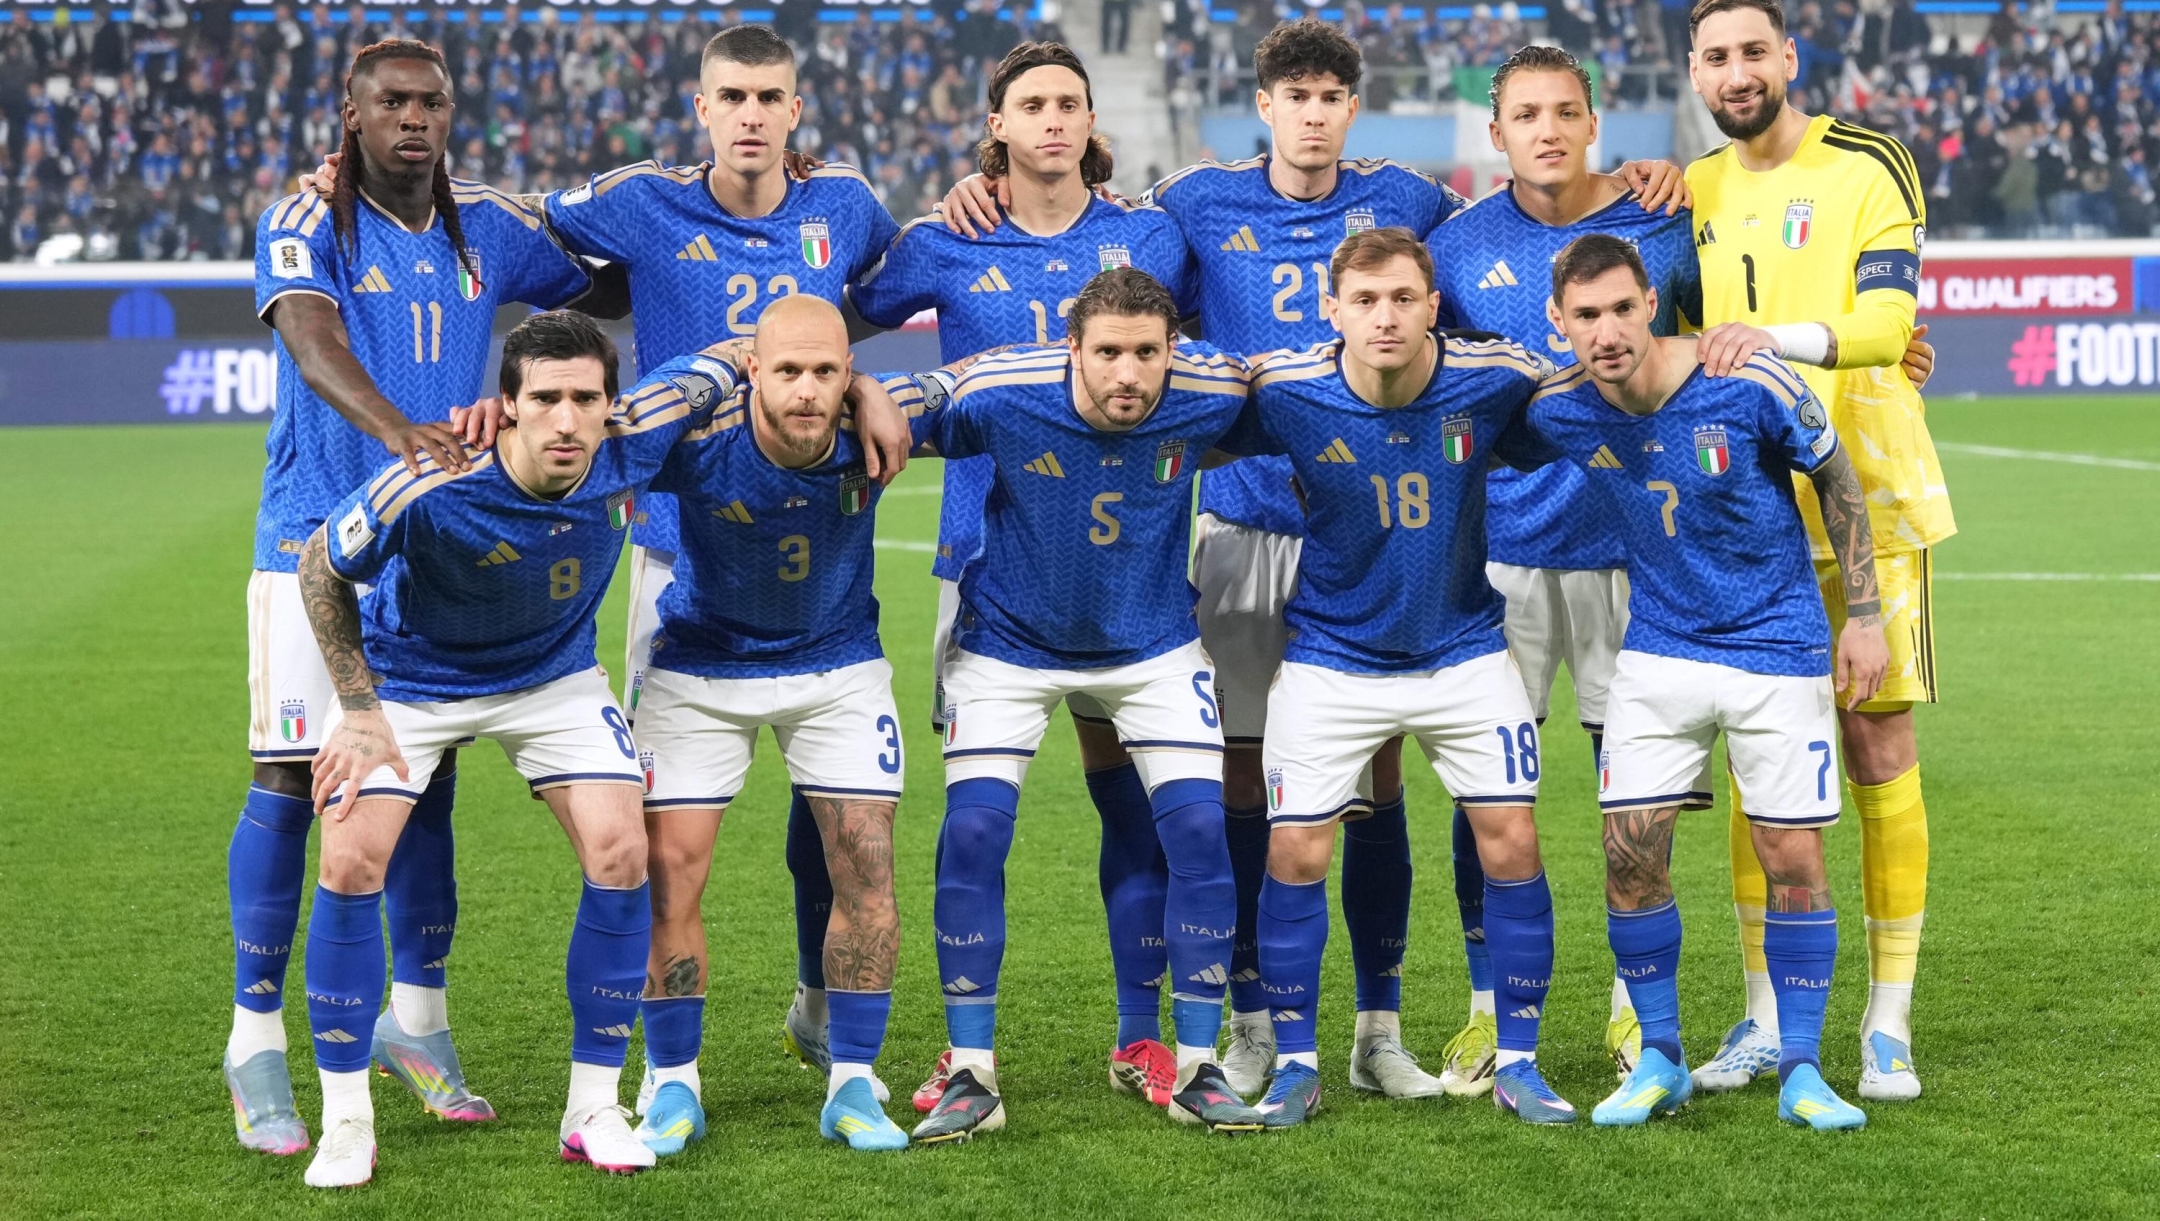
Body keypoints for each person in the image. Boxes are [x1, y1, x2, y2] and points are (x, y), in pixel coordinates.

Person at [229, 37, 603, 1156]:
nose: (414, 119)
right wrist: (400, 433)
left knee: (420, 782)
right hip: (317, 535)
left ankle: (417, 1023)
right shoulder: (308, 220)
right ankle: (254, 1041)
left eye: (432, 102)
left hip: (436, 545)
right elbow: (309, 335)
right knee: (294, 778)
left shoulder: (485, 222)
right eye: (391, 101)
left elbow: (618, 280)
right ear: (349, 113)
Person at [851, 41, 1202, 1113]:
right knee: (977, 820)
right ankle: (965, 1052)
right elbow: (835, 320)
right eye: (1032, 105)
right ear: (996, 125)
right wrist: (868, 393)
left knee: (1134, 807)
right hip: (986, 566)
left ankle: (1144, 1040)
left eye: (1070, 103)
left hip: (1135, 566)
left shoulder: (1149, 236)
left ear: (1092, 122)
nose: (1054, 120)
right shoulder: (943, 239)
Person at [293, 312, 681, 1187]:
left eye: (587, 398)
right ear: (504, 407)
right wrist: (358, 709)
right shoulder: (430, 482)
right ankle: (346, 1119)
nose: (568, 419)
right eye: (545, 398)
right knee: (351, 858)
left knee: (624, 848)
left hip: (553, 679)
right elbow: (323, 563)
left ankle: (594, 1107)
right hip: (410, 679)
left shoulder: (633, 442)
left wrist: (852, 385)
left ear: (613, 404)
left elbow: (730, 365)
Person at [1522, 233, 1883, 1131]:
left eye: (1619, 308)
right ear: (1557, 323)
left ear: (1650, 302)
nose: (1606, 331)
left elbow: (1837, 476)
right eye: (1584, 315)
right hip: (1658, 650)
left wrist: (1866, 617)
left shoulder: (1748, 381)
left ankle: (1803, 1067)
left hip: (1776, 647)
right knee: (1628, 852)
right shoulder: (1556, 407)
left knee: (1791, 856)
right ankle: (1661, 1056)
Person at [1223, 228, 1572, 1128]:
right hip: (1333, 658)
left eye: (1404, 298)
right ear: (1330, 310)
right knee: (1295, 848)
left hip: (1462, 651)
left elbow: (1605, 384)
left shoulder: (1493, 379)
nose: (1386, 316)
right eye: (1366, 300)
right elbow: (1155, 399)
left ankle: (1520, 1062)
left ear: (1432, 307)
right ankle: (1299, 1065)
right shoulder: (1285, 387)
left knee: (1513, 841)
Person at [909, 269, 1267, 1143]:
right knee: (975, 833)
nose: (1129, 375)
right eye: (1108, 352)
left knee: (1197, 834)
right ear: (1073, 347)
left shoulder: (1210, 389)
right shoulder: (1002, 389)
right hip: (1008, 645)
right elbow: (895, 401)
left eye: (1148, 353)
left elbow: (1302, 389)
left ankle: (1195, 1064)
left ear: (1171, 352)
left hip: (1152, 645)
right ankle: (970, 1070)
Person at [1684, 0, 1952, 1102]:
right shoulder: (1691, 189)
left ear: (1789, 59)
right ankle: (1761, 1017)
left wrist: (1766, 345)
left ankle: (1887, 1025)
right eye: (1716, 57)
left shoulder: (1867, 163)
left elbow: (1891, 328)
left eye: (1755, 51)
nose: (1737, 71)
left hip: (1870, 503)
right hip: (1747, 512)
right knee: (1763, 758)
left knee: (1876, 743)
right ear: (1694, 72)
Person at [1423, 42, 1701, 1093]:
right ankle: (1494, 1009)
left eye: (1564, 111)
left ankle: (1639, 1014)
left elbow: (1721, 343)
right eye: (1525, 114)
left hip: (1637, 554)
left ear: (1596, 122)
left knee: (1639, 790)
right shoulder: (1457, 249)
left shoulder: (1662, 223)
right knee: (1488, 794)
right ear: (1496, 136)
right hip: (1497, 557)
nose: (1546, 129)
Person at [627, 296, 937, 1154]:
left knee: (867, 861)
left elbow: (974, 393)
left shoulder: (874, 424)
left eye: (828, 372)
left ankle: (851, 1085)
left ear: (850, 374)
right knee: (667, 874)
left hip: (836, 666)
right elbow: (607, 436)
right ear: (753, 368)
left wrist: (878, 390)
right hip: (699, 666)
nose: (807, 391)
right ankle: (672, 1083)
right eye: (788, 370)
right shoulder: (696, 435)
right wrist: (713, 363)